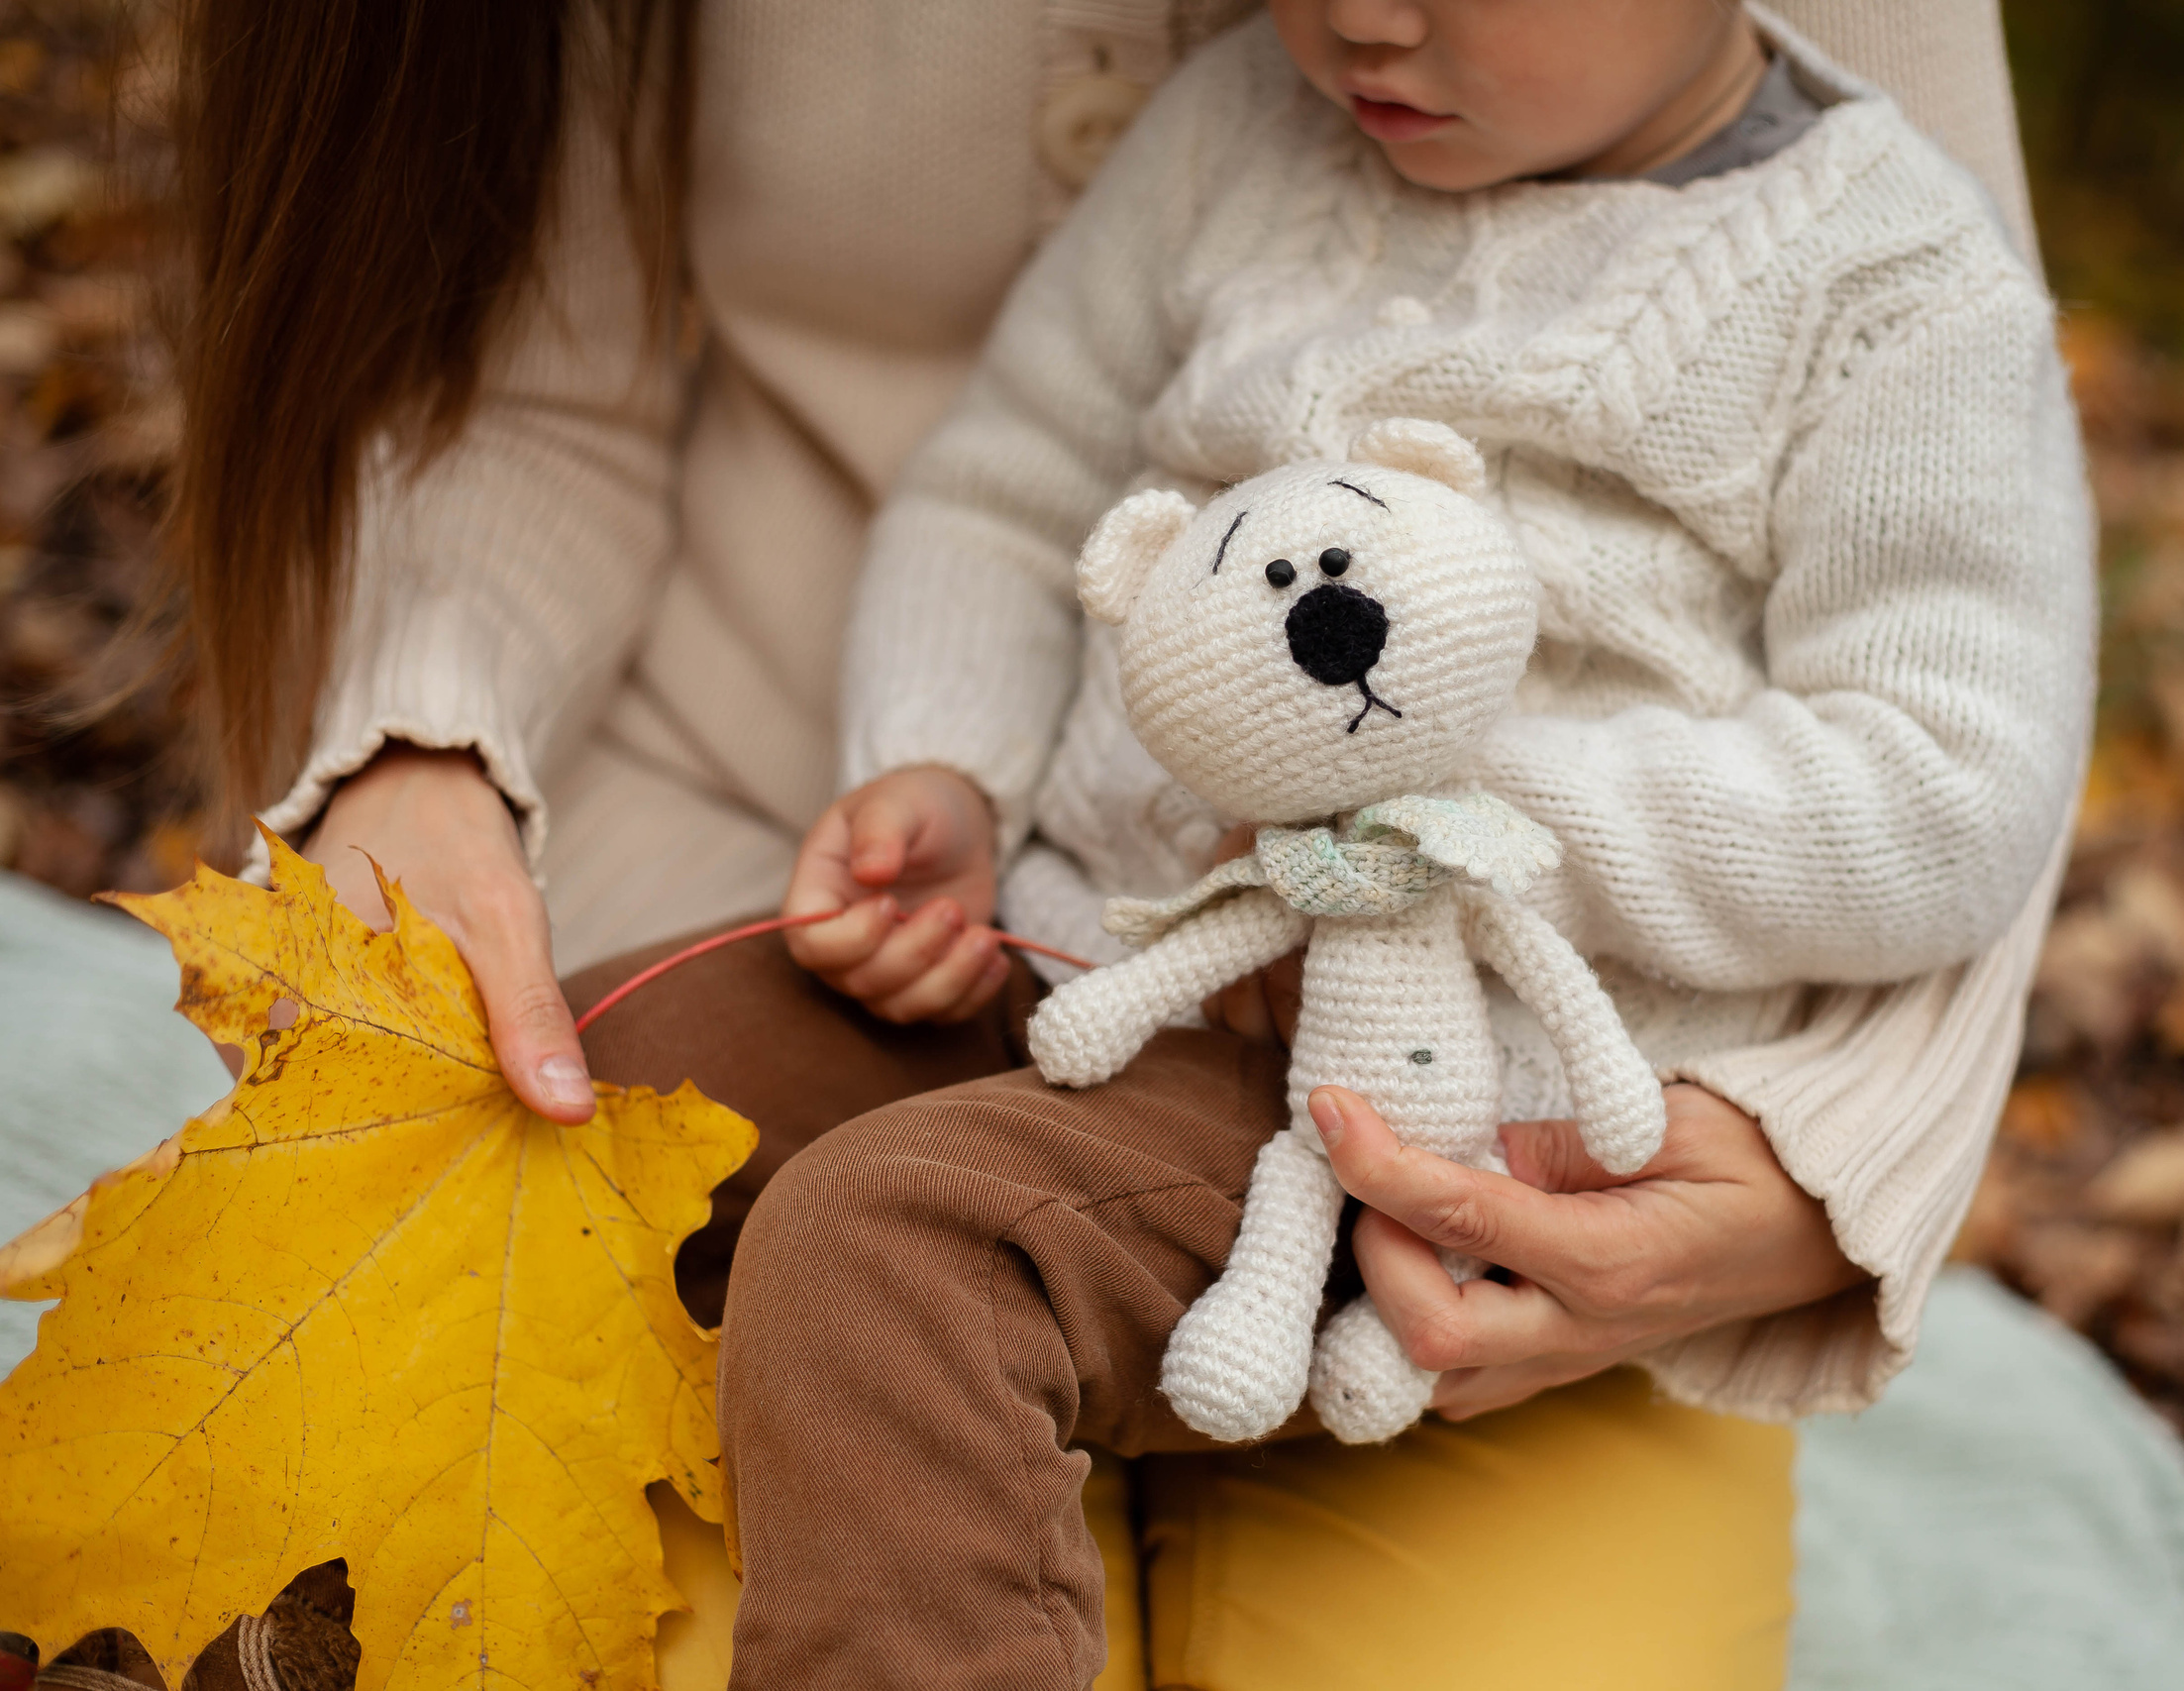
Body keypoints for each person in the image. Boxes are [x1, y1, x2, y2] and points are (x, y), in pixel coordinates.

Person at [169, 1, 2070, 1686]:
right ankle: (166, 1569)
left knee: (884, 1259)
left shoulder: (1894, 289)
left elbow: (1954, 773)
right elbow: (1010, 486)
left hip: (1411, 1111)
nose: (1360, 23)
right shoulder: (1248, 125)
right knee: (595, 1091)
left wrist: (1461, 830)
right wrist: (946, 770)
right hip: (1080, 960)